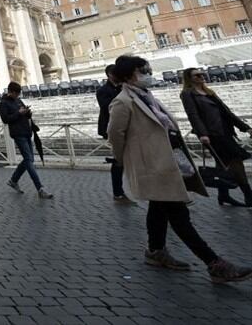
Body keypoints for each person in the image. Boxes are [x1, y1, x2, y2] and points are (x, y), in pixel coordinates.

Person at [108, 55, 252, 283]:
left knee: (158, 207)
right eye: (141, 71)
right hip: (154, 165)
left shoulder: (147, 96)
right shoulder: (122, 102)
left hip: (169, 161)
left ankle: (155, 252)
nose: (146, 75)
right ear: (128, 76)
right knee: (178, 214)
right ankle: (215, 264)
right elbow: (115, 135)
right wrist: (124, 160)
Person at [180, 67, 252, 207]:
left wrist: (246, 128)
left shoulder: (209, 92)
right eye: (197, 75)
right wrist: (202, 134)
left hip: (225, 132)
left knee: (223, 165)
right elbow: (193, 115)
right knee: (236, 162)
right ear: (190, 78)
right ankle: (249, 196)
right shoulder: (188, 94)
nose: (201, 76)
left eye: (202, 74)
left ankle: (224, 195)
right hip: (213, 135)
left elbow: (227, 112)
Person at [0, 82, 54, 199]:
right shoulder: (3, 103)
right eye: (16, 94)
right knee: (29, 160)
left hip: (27, 131)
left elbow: (25, 114)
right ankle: (40, 188)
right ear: (11, 92)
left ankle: (13, 180)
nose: (18, 96)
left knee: (30, 159)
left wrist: (27, 113)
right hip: (18, 133)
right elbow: (5, 119)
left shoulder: (18, 101)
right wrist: (18, 113)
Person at [96, 64, 128, 201]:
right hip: (112, 127)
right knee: (118, 161)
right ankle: (118, 191)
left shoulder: (124, 87)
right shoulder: (103, 90)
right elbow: (107, 107)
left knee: (124, 160)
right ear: (109, 74)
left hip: (127, 126)